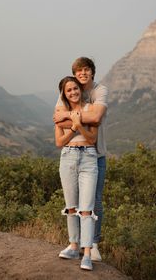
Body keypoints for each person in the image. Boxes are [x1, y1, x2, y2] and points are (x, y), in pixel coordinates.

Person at [54, 57, 108, 261]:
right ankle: (75, 244)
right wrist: (74, 123)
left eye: (86, 70)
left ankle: (92, 245)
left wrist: (74, 119)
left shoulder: (99, 92)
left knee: (94, 201)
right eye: (79, 70)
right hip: (69, 154)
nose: (83, 73)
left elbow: (95, 119)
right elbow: (57, 118)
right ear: (74, 74)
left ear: (92, 72)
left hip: (96, 153)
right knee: (72, 204)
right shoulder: (67, 89)